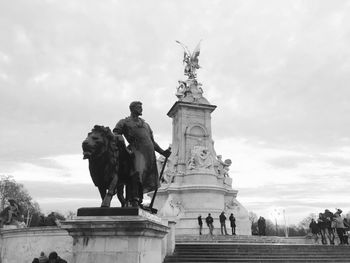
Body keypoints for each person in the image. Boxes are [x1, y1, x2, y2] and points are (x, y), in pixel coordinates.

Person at [113, 101, 171, 207]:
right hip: (135, 152)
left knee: (143, 178)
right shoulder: (124, 122)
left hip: (149, 154)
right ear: (132, 108)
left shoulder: (146, 125)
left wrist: (163, 152)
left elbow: (152, 142)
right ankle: (132, 200)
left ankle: (138, 200)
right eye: (139, 107)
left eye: (141, 107)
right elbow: (116, 134)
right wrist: (122, 146)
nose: (141, 109)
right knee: (135, 175)